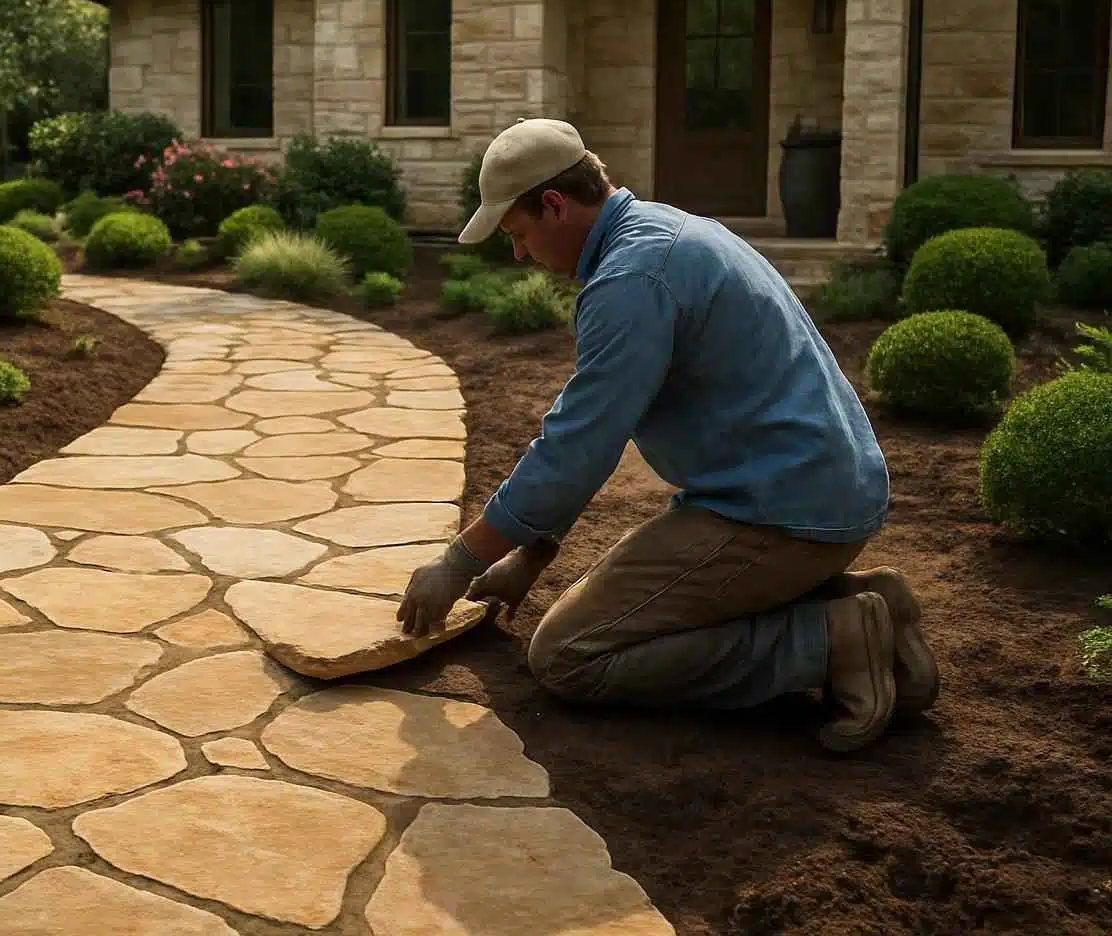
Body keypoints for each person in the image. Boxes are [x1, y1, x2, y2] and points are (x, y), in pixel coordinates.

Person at [396, 117, 939, 753]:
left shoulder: (632, 281)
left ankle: (833, 638)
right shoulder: (665, 232)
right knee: (620, 614)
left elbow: (578, 446)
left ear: (553, 204)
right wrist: (531, 553)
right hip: (819, 490)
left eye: (518, 234)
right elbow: (599, 430)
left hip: (783, 514)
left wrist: (460, 562)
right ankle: (875, 603)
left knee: (569, 653)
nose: (519, 255)